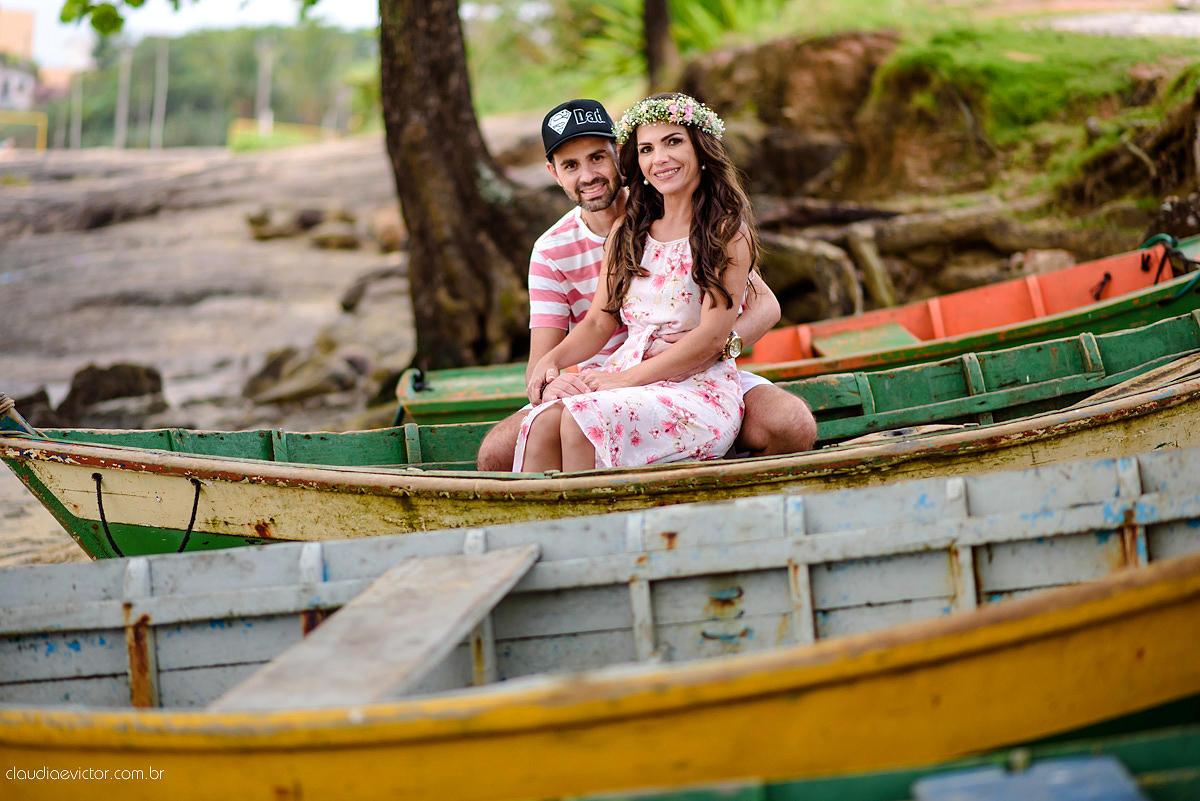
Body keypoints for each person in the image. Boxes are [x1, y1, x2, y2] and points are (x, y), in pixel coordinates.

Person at [475, 97, 816, 471]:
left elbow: (758, 309)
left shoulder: (721, 233)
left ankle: (599, 516)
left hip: (690, 373)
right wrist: (550, 370)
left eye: (596, 158)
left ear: (618, 155)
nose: (587, 175)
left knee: (582, 420)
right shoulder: (607, 236)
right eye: (571, 165)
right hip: (610, 375)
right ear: (554, 173)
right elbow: (594, 323)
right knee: (536, 428)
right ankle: (545, 524)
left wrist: (715, 347)